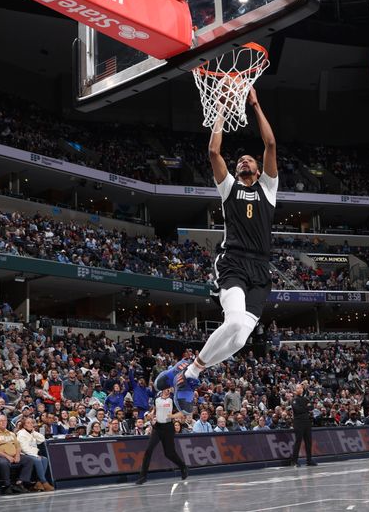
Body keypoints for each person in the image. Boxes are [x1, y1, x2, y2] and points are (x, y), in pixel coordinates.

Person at [157, 87, 278, 413]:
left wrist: (255, 103)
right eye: (240, 159)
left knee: (239, 340)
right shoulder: (229, 188)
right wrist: (222, 107)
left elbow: (269, 143)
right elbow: (213, 151)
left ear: (257, 167)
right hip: (234, 262)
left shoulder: (268, 189)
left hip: (261, 270)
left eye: (248, 159)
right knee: (236, 321)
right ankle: (192, 372)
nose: (243, 160)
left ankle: (184, 369)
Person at [135, 388, 188, 485]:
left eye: (169, 389)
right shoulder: (157, 399)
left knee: (169, 453)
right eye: (166, 389)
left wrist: (172, 416)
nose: (167, 390)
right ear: (162, 389)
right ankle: (143, 476)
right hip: (158, 427)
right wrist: (151, 414)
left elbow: (183, 411)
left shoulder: (173, 399)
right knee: (148, 450)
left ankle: (183, 466)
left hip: (168, 427)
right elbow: (154, 410)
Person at [0, 415, 34, 494]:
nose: (3, 422)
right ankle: (7, 485)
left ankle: (19, 483)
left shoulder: (11, 434)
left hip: (14, 456)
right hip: (1, 456)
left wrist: (17, 455)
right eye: (1, 421)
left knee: (29, 460)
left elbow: (18, 446)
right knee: (4, 463)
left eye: (5, 420)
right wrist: (7, 456)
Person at [16, 417, 54, 491]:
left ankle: (38, 483)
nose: (31, 424)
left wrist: (33, 432)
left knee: (45, 459)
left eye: (32, 423)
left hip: (32, 454)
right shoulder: (21, 434)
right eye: (28, 423)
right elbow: (25, 449)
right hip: (24, 455)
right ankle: (44, 482)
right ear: (24, 425)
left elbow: (42, 439)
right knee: (38, 460)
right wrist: (36, 455)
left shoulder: (31, 432)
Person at [290, 384, 317, 467]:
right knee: (298, 441)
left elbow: (311, 407)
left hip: (307, 422)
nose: (299, 389)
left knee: (308, 441)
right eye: (297, 388)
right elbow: (298, 410)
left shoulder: (305, 399)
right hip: (298, 422)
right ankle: (294, 461)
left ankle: (309, 460)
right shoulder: (294, 400)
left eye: (300, 388)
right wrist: (306, 408)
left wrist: (305, 407)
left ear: (302, 389)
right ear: (295, 390)